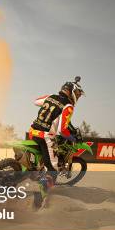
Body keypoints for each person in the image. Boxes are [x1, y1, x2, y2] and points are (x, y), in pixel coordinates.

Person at [29, 76, 84, 207]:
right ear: (71, 92)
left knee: (43, 156)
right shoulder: (69, 106)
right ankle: (39, 201)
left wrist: (50, 102)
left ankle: (33, 170)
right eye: (77, 94)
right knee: (53, 169)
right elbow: (63, 130)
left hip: (32, 131)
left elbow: (36, 101)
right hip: (46, 136)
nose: (78, 97)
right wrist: (72, 138)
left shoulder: (51, 96)